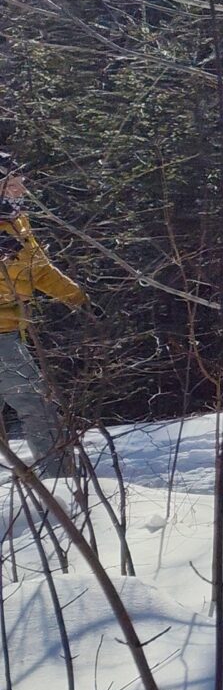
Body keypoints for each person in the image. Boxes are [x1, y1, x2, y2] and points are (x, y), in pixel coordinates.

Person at [0, 150, 88, 477]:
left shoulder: (17, 221)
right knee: (37, 406)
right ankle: (62, 485)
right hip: (1, 337)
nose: (21, 191)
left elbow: (40, 271)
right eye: (13, 185)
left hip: (12, 331)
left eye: (22, 184)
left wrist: (79, 298)